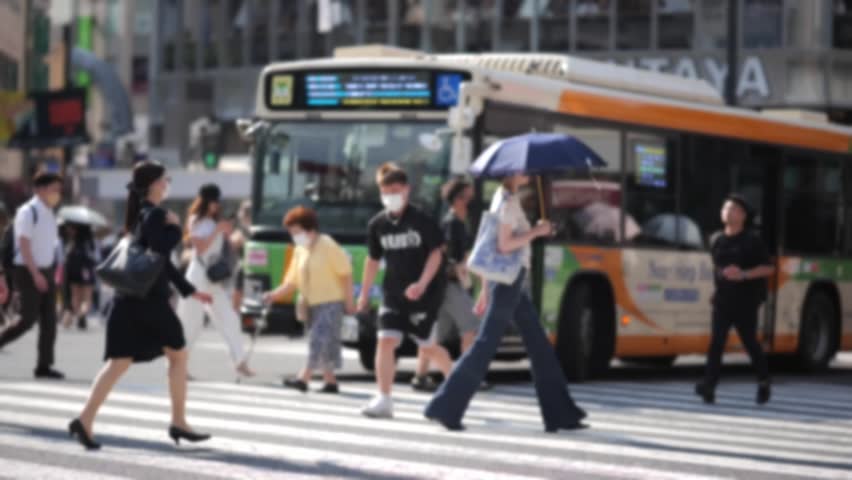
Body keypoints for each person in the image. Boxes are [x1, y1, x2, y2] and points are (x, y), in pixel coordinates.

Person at [424, 173, 587, 432]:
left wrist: (485, 288)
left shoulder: (505, 199)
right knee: (486, 343)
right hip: (509, 281)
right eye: (523, 170)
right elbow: (503, 245)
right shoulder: (507, 202)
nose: (529, 173)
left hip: (511, 280)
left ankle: (561, 412)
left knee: (539, 346)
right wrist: (537, 231)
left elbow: (490, 246)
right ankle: (445, 406)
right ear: (511, 174)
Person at [70, 161, 214, 450]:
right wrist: (175, 228)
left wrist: (189, 291)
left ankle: (84, 420)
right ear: (153, 184)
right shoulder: (157, 214)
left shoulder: (139, 216)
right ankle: (178, 421)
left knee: (119, 363)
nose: (168, 183)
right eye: (165, 179)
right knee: (178, 356)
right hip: (150, 303)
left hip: (128, 302)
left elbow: (159, 264)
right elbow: (162, 250)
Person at [358, 163, 454, 419]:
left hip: (426, 293)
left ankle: (456, 383)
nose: (391, 195)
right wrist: (364, 293)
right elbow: (373, 260)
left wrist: (422, 284)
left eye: (396, 190)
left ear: (407, 190)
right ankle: (384, 398)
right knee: (385, 340)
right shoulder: (377, 224)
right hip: (393, 292)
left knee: (428, 347)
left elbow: (436, 254)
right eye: (386, 190)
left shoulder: (422, 220)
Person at [262, 206, 356, 393]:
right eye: (291, 232)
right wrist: (274, 295)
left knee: (318, 339)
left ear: (310, 229)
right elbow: (292, 281)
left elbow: (345, 274)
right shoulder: (300, 250)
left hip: (331, 302)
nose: (294, 236)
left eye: (296, 232)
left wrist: (349, 302)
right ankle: (330, 382)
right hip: (311, 303)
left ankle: (303, 378)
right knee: (325, 343)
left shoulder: (328, 245)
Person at [696, 194, 774, 405]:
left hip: (746, 301)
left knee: (750, 343)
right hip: (723, 300)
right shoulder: (716, 240)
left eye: (732, 209)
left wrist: (744, 274)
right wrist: (716, 289)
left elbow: (768, 268)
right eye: (725, 208)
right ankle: (709, 387)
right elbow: (717, 268)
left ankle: (764, 381)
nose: (727, 212)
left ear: (742, 215)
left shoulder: (752, 240)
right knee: (716, 344)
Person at [411, 177, 481, 392]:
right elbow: (446, 257)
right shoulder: (452, 223)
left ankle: (420, 376)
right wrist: (462, 265)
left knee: (434, 334)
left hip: (444, 285)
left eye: (471, 197)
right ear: (457, 200)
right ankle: (467, 376)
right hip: (449, 284)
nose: (470, 202)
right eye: (466, 197)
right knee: (471, 327)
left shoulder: (459, 221)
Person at [177, 184, 254, 378]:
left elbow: (230, 243)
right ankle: (180, 366)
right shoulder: (196, 220)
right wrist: (217, 230)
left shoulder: (215, 221)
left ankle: (239, 361)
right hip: (197, 276)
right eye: (214, 202)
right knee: (191, 323)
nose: (217, 206)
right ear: (206, 202)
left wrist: (229, 230)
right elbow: (200, 248)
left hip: (212, 278)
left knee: (229, 318)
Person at [0, 171, 64, 379]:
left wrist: (49, 272)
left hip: (45, 270)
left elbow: (48, 246)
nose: (56, 193)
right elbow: (24, 244)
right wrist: (35, 273)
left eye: (58, 189)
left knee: (50, 321)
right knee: (27, 319)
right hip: (27, 270)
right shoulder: (28, 212)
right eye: (53, 188)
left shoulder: (49, 212)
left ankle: (44, 366)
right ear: (39, 189)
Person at [62, 223, 97, 330]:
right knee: (87, 299)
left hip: (72, 269)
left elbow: (66, 259)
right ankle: (82, 314)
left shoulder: (71, 243)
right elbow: (94, 256)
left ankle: (73, 315)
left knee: (75, 296)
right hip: (86, 270)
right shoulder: (89, 242)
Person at [230, 200, 252, 311]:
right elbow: (233, 244)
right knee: (238, 293)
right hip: (243, 266)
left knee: (240, 294)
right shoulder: (242, 230)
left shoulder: (251, 229)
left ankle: (236, 315)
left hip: (248, 266)